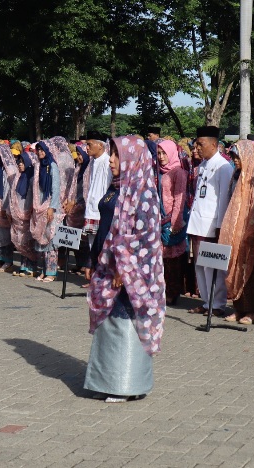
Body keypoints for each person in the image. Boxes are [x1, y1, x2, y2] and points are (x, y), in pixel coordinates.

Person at [85, 136, 165, 403]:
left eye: (117, 155)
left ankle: (125, 384)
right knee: (108, 324)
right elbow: (104, 226)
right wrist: (92, 260)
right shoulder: (116, 186)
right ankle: (106, 380)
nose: (111, 160)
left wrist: (125, 267)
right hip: (105, 265)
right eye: (111, 154)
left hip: (128, 272)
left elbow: (145, 237)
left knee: (125, 324)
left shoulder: (143, 192)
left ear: (132, 158)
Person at [217, 140, 254, 325]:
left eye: (237, 157)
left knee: (251, 273)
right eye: (233, 157)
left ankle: (252, 311)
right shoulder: (237, 175)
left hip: (251, 233)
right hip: (236, 231)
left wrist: (251, 231)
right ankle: (239, 308)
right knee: (237, 270)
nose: (235, 160)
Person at [187, 126, 232, 317]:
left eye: (201, 144)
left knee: (213, 267)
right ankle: (206, 302)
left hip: (211, 225)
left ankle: (218, 303)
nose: (197, 148)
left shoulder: (223, 166)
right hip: (198, 223)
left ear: (214, 144)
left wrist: (220, 226)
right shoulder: (204, 165)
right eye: (196, 144)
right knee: (200, 265)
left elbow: (223, 199)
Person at [156, 140, 189, 305]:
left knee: (174, 259)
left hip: (173, 222)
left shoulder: (178, 172)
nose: (161, 157)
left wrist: (175, 223)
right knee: (162, 259)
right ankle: (162, 290)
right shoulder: (160, 171)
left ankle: (173, 292)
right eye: (159, 153)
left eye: (164, 153)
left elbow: (179, 200)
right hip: (160, 220)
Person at [32, 141, 62, 281]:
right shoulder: (39, 166)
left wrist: (51, 207)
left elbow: (56, 188)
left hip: (50, 206)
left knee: (50, 240)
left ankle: (51, 272)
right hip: (39, 206)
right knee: (42, 239)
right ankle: (44, 270)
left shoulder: (52, 166)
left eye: (42, 150)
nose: (40, 152)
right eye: (38, 150)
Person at [83, 131, 112, 250]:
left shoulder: (108, 162)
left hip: (101, 212)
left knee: (102, 247)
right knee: (93, 247)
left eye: (89, 144)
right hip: (91, 210)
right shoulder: (92, 162)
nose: (86, 147)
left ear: (100, 145)